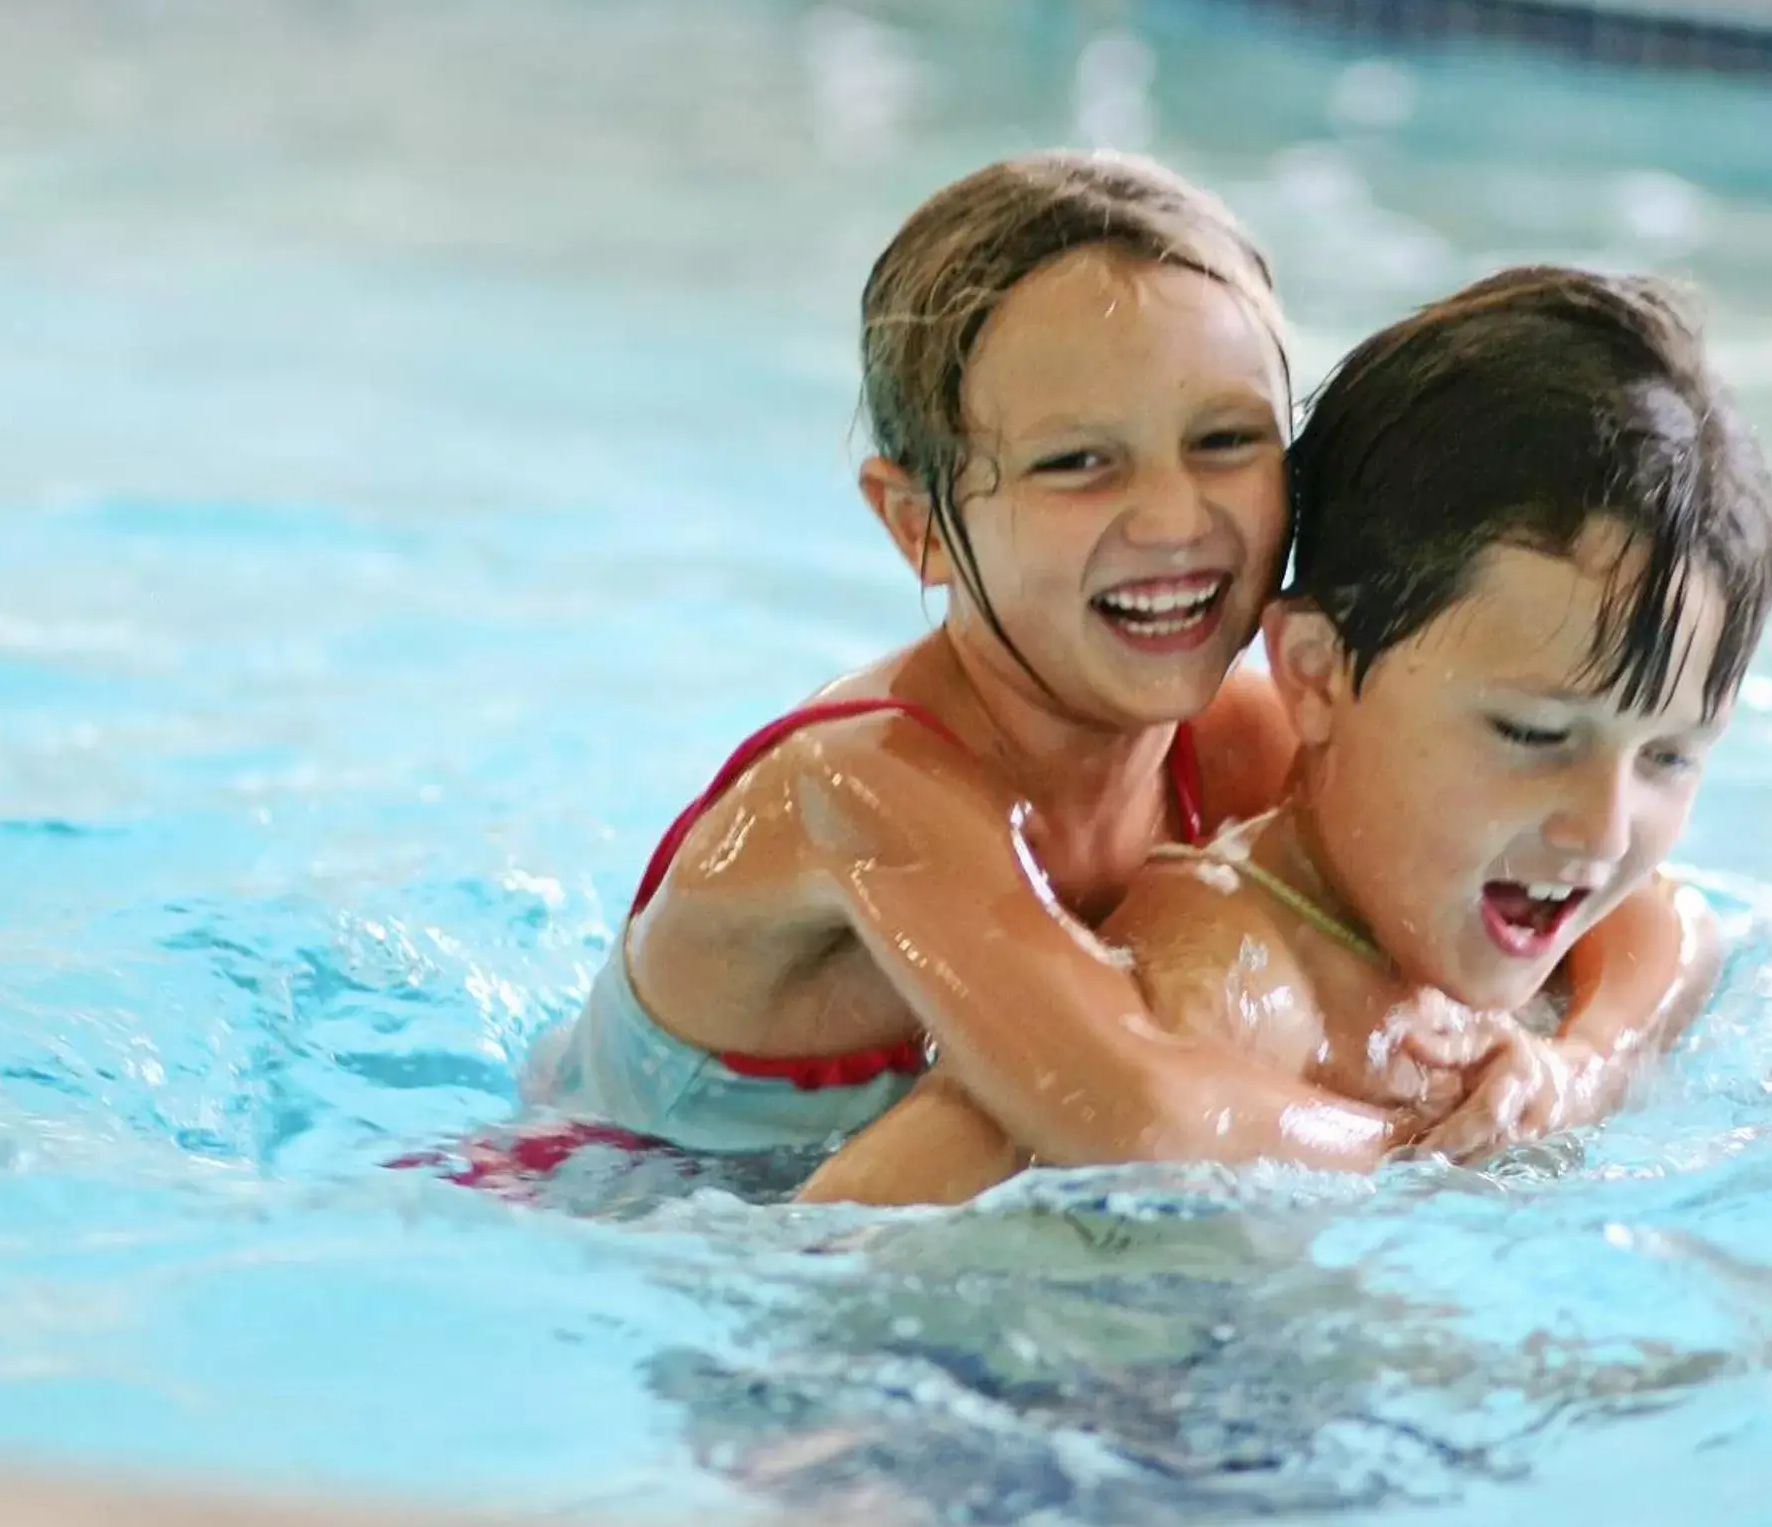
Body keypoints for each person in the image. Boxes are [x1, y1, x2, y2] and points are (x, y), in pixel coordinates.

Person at [519, 154, 1698, 1172]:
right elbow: (1134, 1113)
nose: (1175, 516)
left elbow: (1645, 913)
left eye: (1227, 441)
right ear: (917, 524)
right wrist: (1439, 1138)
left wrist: (1572, 1069)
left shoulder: (1241, 736)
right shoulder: (862, 788)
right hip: (629, 1222)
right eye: (1081, 461)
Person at [799, 267, 1772, 1204]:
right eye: (1533, 732)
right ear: (1314, 674)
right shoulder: (1224, 982)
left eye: (1668, 755)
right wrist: (1415, 1155)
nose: (1603, 832)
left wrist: (1579, 1070)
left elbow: (1673, 925)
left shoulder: (1484, 883)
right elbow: (849, 1219)